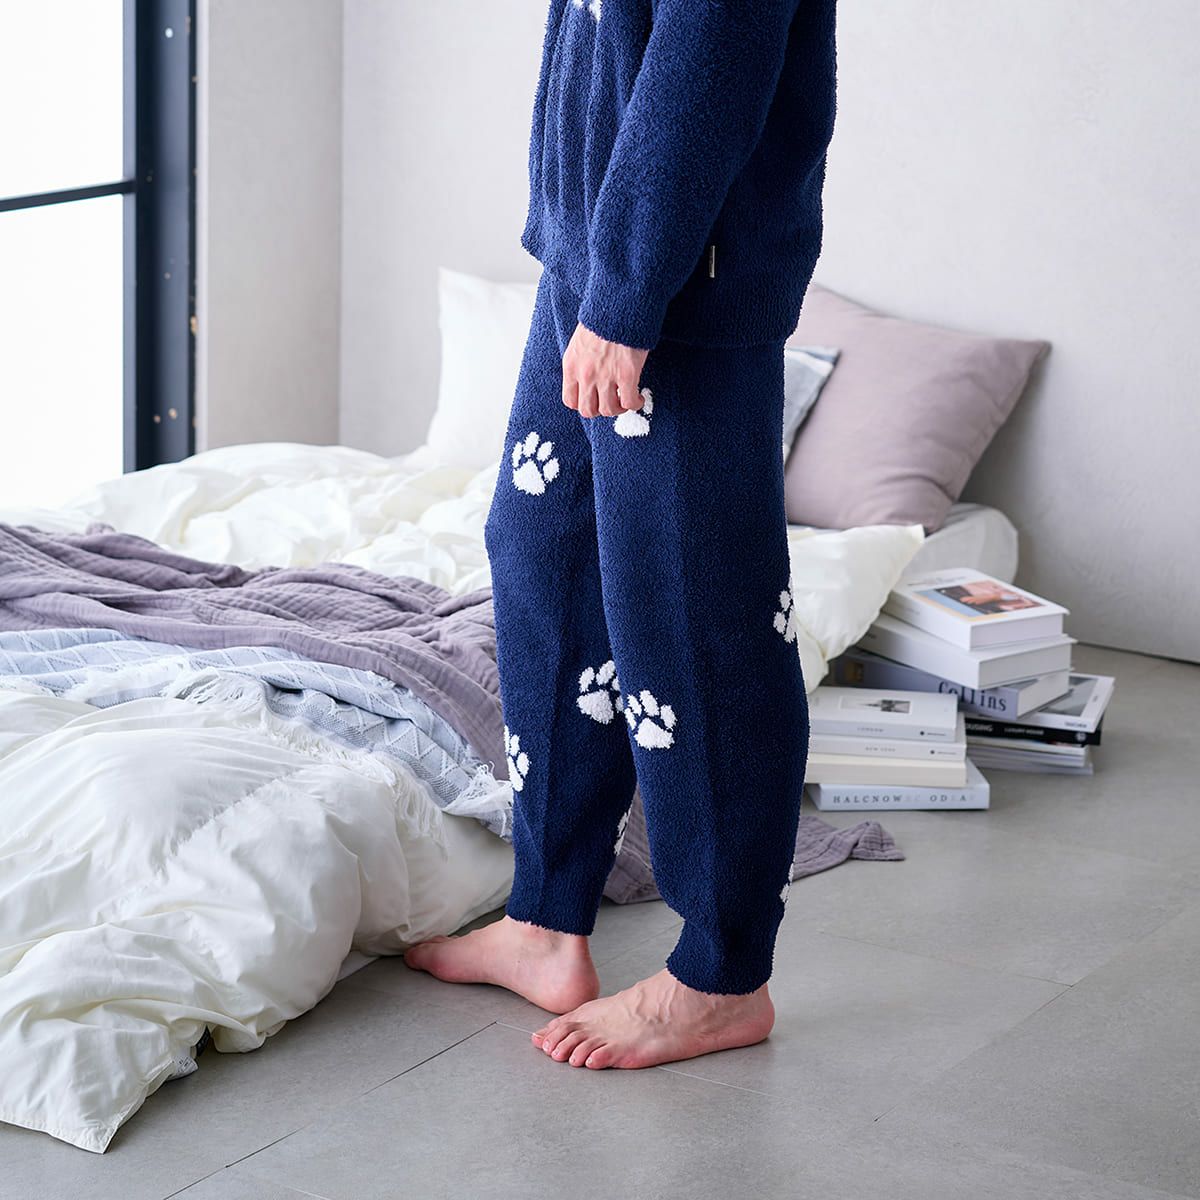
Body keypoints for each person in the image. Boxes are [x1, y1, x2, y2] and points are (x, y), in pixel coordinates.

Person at [405, 0, 837, 1071]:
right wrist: (596, 266)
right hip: (594, 255)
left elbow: (709, 57)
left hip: (680, 281)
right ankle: (546, 919)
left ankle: (722, 977)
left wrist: (630, 300)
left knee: (698, 617)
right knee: (542, 556)